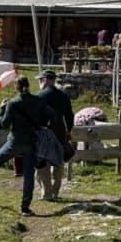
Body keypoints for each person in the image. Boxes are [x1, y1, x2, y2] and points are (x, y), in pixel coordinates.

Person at [0, 76, 54, 216]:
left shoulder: (13, 103)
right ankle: (25, 207)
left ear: (16, 87)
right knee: (28, 174)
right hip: (31, 141)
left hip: (15, 141)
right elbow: (52, 115)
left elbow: (4, 124)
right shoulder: (38, 101)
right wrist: (41, 126)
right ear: (28, 86)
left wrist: (2, 109)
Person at [36, 69, 75, 201]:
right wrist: (69, 130)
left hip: (44, 131)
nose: (39, 83)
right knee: (58, 162)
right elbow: (69, 115)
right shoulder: (63, 95)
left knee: (43, 162)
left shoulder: (41, 95)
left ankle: (46, 193)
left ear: (45, 80)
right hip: (60, 130)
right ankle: (55, 192)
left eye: (40, 80)